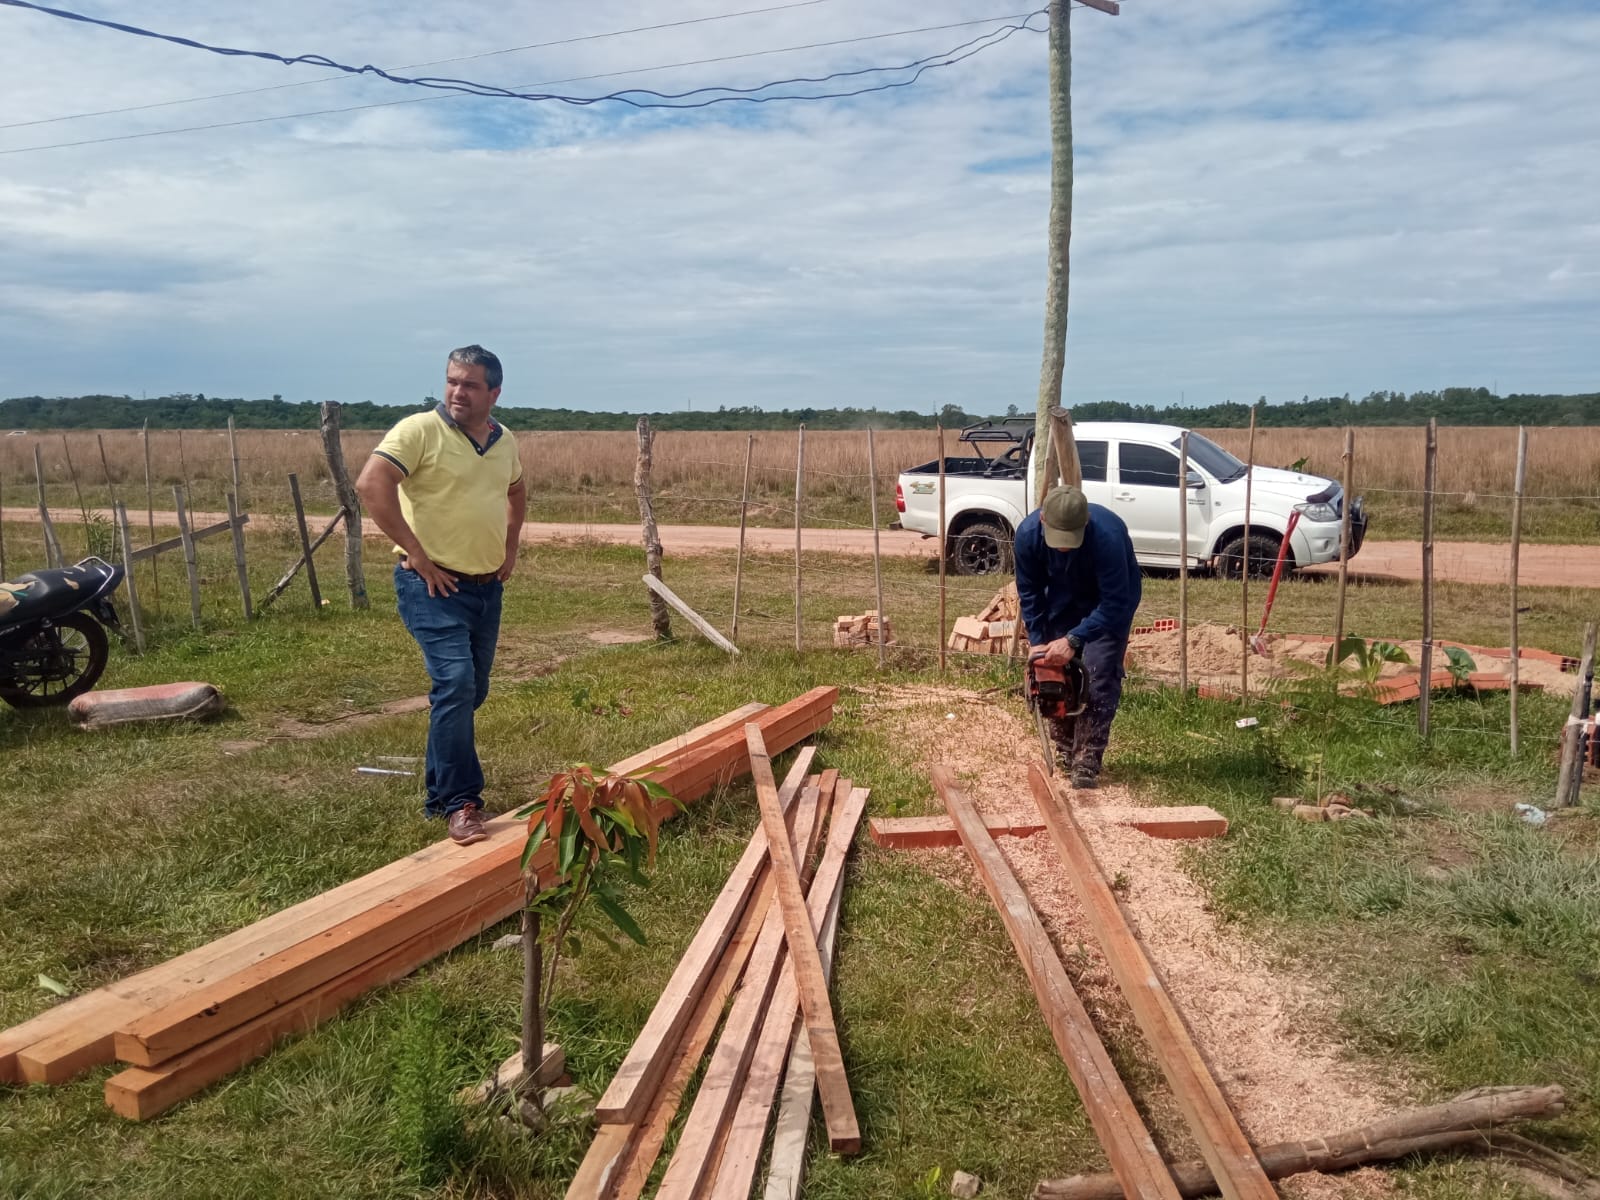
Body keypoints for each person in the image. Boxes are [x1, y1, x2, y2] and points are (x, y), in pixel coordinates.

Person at [356, 345, 526, 845]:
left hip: (485, 588)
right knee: (455, 683)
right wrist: (417, 553)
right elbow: (372, 484)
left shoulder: (504, 440)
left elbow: (516, 491)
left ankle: (438, 793)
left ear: (494, 392)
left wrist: (510, 546)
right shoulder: (419, 431)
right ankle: (461, 802)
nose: (457, 392)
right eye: (452, 381)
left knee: (470, 691)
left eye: (470, 384)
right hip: (431, 585)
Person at [1013, 484, 1141, 789]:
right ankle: (1065, 748)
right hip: (1059, 601)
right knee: (1055, 675)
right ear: (1043, 519)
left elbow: (1115, 603)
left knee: (1098, 673)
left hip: (1108, 605)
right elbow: (1030, 593)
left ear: (1085, 523)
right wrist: (1038, 641)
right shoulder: (1027, 536)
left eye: (1070, 539)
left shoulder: (1108, 536)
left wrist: (1074, 640)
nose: (1064, 547)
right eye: (1058, 539)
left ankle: (1087, 760)